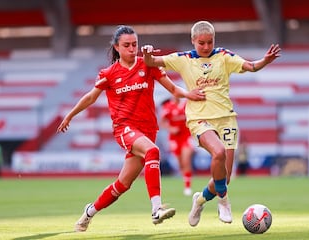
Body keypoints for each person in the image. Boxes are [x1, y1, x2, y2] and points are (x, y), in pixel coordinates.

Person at [57, 25, 205, 232]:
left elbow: (172, 88)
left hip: (148, 130)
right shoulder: (109, 73)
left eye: (134, 44)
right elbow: (91, 97)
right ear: (117, 47)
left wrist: (190, 94)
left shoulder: (148, 64)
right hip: (124, 128)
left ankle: (89, 212)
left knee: (122, 184)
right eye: (126, 45)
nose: (132, 48)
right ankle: (156, 209)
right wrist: (70, 115)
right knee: (153, 151)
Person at [142, 20, 281, 227]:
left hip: (227, 118)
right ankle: (223, 201)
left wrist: (265, 61)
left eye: (209, 42)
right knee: (218, 152)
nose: (206, 47)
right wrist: (146, 53)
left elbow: (250, 66)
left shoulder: (223, 56)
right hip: (200, 118)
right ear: (193, 41)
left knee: (225, 178)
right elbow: (152, 62)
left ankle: (199, 200)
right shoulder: (184, 59)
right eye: (201, 43)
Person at [160, 97, 194, 196]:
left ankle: (187, 186)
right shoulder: (168, 106)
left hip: (186, 136)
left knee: (186, 159)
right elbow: (162, 122)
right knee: (180, 163)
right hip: (174, 138)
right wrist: (171, 128)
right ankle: (184, 177)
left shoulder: (186, 105)